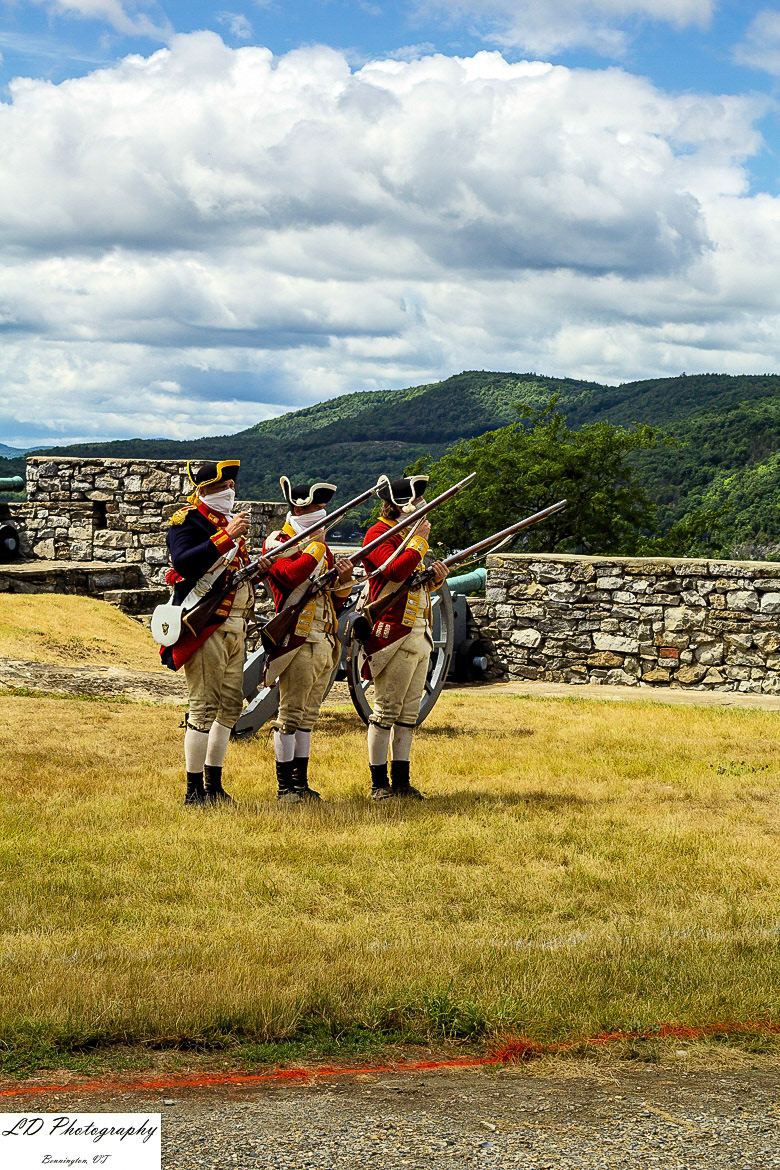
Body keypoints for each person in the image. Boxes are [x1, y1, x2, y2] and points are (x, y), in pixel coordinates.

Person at [164, 459, 272, 806]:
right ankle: (193, 790)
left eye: (232, 486)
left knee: (228, 707)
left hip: (235, 626)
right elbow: (184, 562)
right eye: (223, 487)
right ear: (205, 489)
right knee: (203, 708)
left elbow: (233, 577)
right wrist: (226, 537)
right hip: (207, 627)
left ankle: (214, 784)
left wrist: (258, 570)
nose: (230, 492)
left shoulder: (227, 523)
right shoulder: (188, 520)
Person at [263, 477, 355, 803]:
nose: (322, 511)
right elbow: (290, 576)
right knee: (290, 715)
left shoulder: (320, 547)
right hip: (298, 638)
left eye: (322, 506)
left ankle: (301, 783)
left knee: (308, 716)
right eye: (316, 506)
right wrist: (316, 546)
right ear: (299, 508)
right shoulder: (279, 540)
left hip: (325, 639)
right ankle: (284, 787)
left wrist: (344, 579)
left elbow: (335, 599)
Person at [360, 475, 449, 800]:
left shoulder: (405, 535)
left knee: (408, 715)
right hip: (391, 636)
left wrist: (434, 580)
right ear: (401, 506)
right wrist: (419, 542)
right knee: (385, 712)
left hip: (418, 634)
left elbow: (411, 582)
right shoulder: (378, 534)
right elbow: (394, 572)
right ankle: (378, 784)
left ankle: (401, 782)